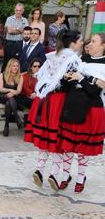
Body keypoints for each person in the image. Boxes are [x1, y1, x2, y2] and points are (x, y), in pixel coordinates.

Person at [24, 29, 83, 191]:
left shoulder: (52, 56)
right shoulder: (72, 58)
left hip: (44, 100)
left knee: (46, 138)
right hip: (60, 101)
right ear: (72, 43)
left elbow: (41, 77)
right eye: (80, 41)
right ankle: (54, 175)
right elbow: (72, 83)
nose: (81, 43)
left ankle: (39, 169)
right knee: (58, 139)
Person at [56, 33, 105, 193]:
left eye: (94, 41)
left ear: (103, 46)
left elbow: (93, 91)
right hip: (74, 104)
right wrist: (66, 77)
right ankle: (64, 176)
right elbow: (73, 84)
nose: (89, 44)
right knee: (68, 145)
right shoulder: (81, 59)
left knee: (83, 148)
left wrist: (81, 79)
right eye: (90, 41)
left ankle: (80, 177)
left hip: (91, 109)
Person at [0, 58, 24, 136]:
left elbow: (19, 91)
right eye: (13, 66)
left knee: (9, 103)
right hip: (3, 96)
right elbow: (1, 89)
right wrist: (11, 90)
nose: (15, 68)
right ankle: (17, 117)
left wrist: (13, 93)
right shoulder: (2, 75)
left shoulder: (20, 77)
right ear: (9, 66)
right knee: (9, 98)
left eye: (17, 66)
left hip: (14, 98)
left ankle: (6, 126)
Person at [4, 3, 29, 68]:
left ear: (23, 11)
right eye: (17, 10)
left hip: (20, 43)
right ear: (14, 10)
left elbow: (26, 31)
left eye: (20, 10)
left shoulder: (25, 20)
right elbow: (10, 31)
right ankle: (5, 76)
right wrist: (20, 30)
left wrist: (15, 29)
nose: (18, 12)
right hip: (10, 43)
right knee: (8, 61)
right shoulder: (9, 19)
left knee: (19, 62)